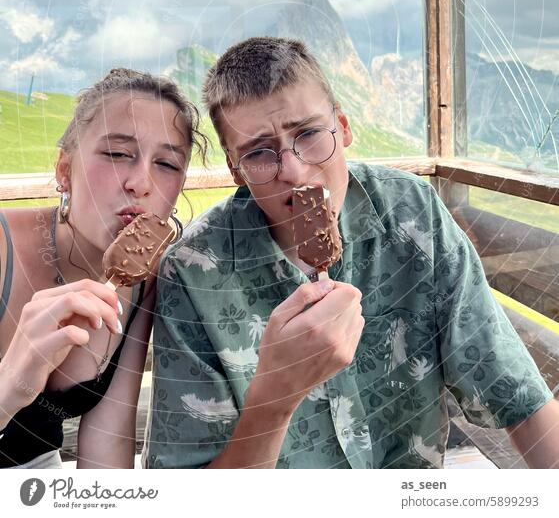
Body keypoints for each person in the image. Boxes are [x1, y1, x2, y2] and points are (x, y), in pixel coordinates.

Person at [146, 37, 559, 469]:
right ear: (236, 169)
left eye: (307, 134)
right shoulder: (193, 271)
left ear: (342, 128)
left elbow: (519, 398)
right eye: (259, 153)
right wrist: (274, 398)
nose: (294, 170)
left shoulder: (412, 213)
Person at [0, 68, 206, 469]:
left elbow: (107, 443)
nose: (141, 183)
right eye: (117, 153)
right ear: (64, 171)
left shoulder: (144, 282)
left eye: (166, 163)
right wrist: (10, 381)